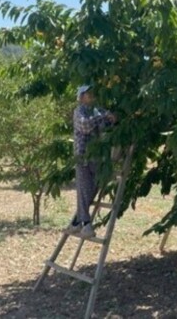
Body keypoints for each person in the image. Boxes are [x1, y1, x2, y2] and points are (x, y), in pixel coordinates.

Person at [67, 85, 116, 238]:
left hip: (97, 156)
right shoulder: (79, 111)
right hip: (82, 156)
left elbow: (106, 125)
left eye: (91, 93)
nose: (91, 95)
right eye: (88, 94)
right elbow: (86, 126)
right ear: (81, 97)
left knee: (93, 187)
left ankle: (76, 222)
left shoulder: (96, 110)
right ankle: (86, 224)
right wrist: (104, 116)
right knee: (83, 188)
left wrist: (112, 119)